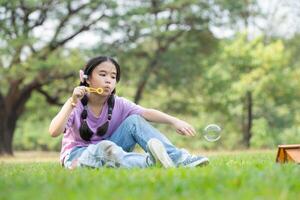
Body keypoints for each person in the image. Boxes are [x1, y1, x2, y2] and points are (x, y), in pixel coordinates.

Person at [49, 56, 209, 169]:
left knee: (134, 120)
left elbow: (146, 113)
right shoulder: (75, 103)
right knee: (105, 147)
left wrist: (175, 121)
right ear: (87, 78)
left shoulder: (118, 103)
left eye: (113, 76)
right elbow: (54, 131)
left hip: (111, 149)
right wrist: (72, 101)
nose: (108, 80)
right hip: (78, 155)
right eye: (102, 74)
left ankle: (179, 159)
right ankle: (152, 163)